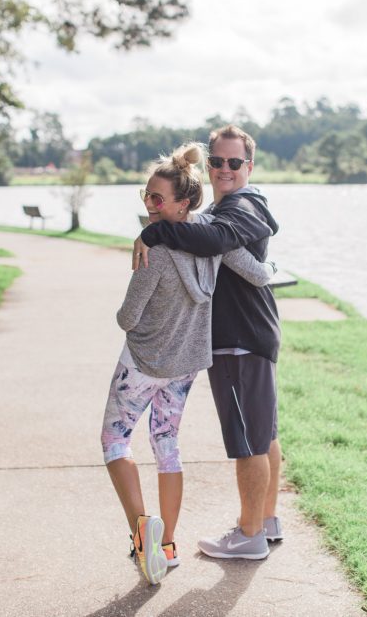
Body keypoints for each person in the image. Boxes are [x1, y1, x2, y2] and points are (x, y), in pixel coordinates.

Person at [101, 141, 275, 585]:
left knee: (116, 441)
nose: (150, 204)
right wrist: (271, 266)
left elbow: (128, 317)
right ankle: (169, 545)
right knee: (167, 447)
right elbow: (257, 272)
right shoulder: (213, 238)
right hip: (184, 369)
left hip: (141, 364)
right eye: (146, 195)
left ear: (181, 202)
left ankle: (143, 532)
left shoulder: (155, 249)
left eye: (158, 198)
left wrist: (136, 275)